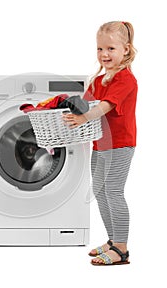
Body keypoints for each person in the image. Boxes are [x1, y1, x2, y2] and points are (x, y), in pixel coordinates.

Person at [63, 21, 137, 265]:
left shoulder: (125, 80)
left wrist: (82, 117)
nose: (104, 54)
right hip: (101, 144)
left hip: (120, 144)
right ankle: (113, 240)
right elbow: (86, 103)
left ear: (125, 49)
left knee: (113, 192)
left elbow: (104, 107)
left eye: (111, 49)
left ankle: (122, 248)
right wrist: (65, 106)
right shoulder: (98, 80)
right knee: (99, 191)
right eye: (99, 49)